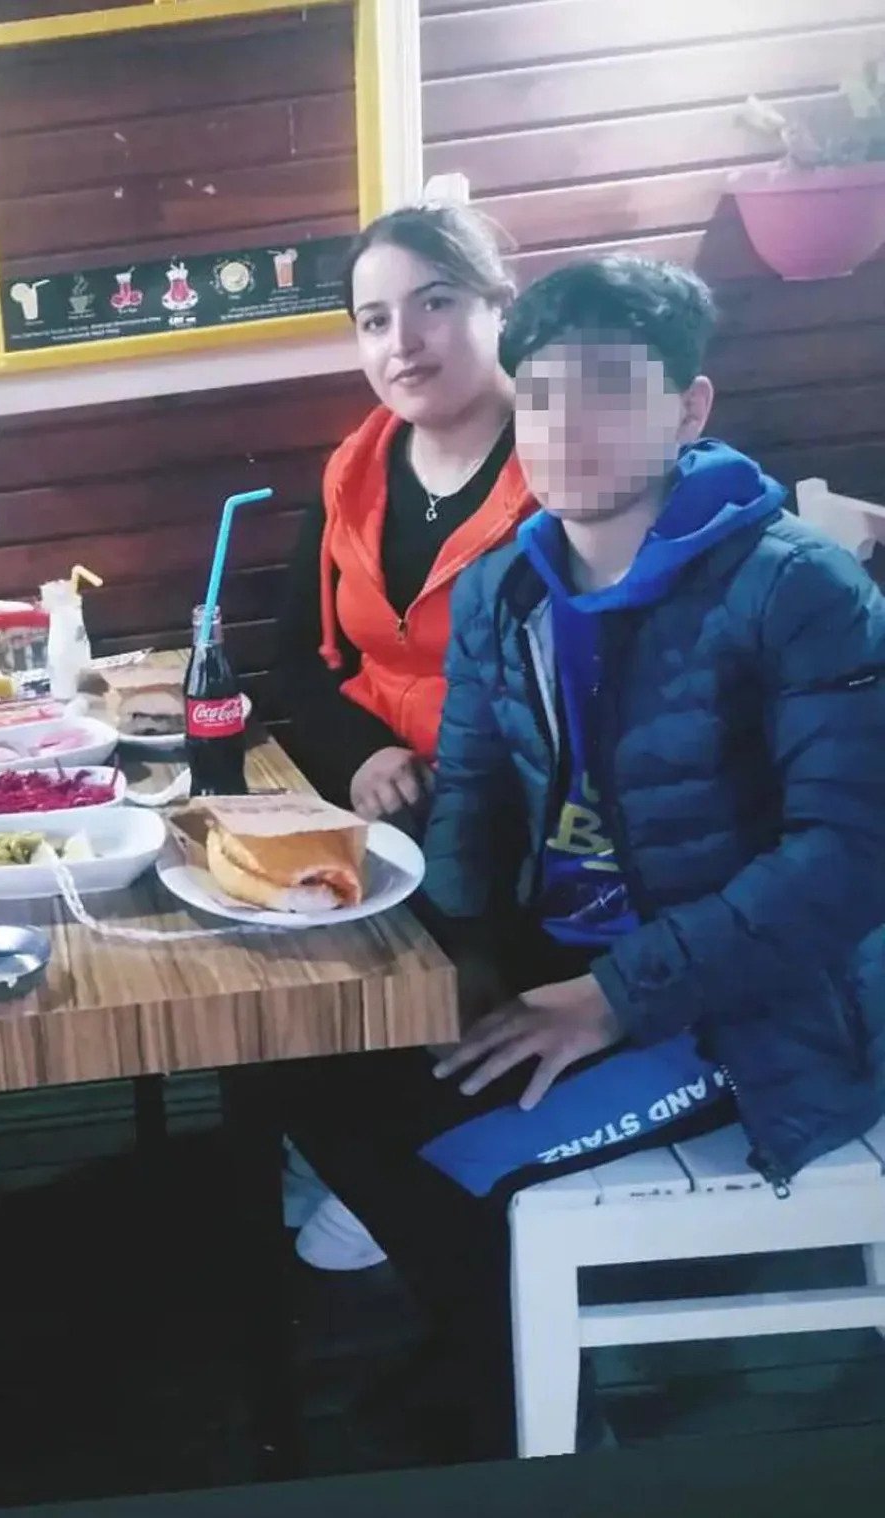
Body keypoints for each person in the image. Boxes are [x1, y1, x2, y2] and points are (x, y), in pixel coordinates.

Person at [284, 255, 885, 1461]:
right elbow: (470, 804)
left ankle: (539, 1434)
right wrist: (458, 960)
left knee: (446, 1157)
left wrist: (611, 997)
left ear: (689, 406)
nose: (566, 426)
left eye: (610, 389)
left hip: (755, 1008)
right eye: (543, 394)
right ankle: (489, 1365)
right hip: (565, 959)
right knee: (317, 1075)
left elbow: (847, 860)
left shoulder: (795, 588)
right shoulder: (507, 586)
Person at [273, 202, 535, 828]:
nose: (403, 342)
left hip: (524, 822)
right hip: (378, 817)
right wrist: (362, 757)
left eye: (434, 303)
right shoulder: (352, 470)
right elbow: (298, 659)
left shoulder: (572, 464)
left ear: (498, 305)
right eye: (375, 321)